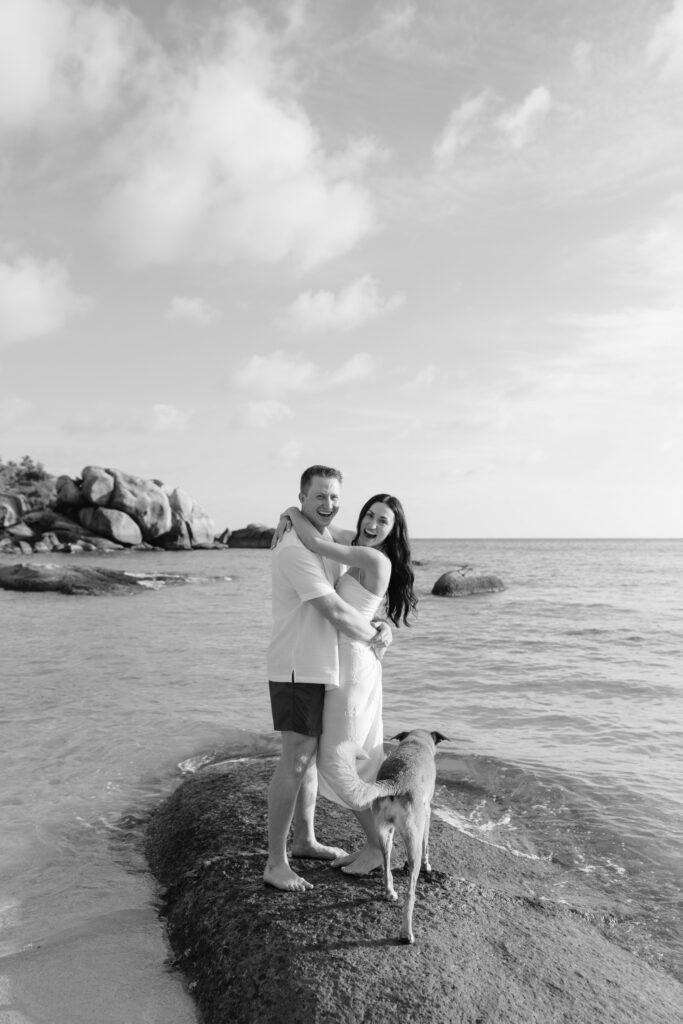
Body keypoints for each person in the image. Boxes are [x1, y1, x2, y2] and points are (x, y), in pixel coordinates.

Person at [264, 465, 392, 893]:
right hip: (299, 666)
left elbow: (358, 594)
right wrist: (375, 636)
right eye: (319, 496)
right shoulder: (294, 551)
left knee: (314, 754)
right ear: (302, 497)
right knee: (298, 758)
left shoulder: (324, 544)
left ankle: (304, 839)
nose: (328, 504)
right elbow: (336, 612)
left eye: (335, 497)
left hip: (325, 666)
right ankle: (276, 862)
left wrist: (381, 625)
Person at [276, 490, 417, 875]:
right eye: (369, 515)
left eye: (382, 521)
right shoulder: (356, 545)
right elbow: (322, 527)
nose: (372, 525)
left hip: (354, 666)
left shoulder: (373, 557)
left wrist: (290, 510)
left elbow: (315, 539)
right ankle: (375, 844)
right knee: (348, 757)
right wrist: (383, 626)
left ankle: (377, 849)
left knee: (339, 760)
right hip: (340, 662)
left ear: (393, 531)